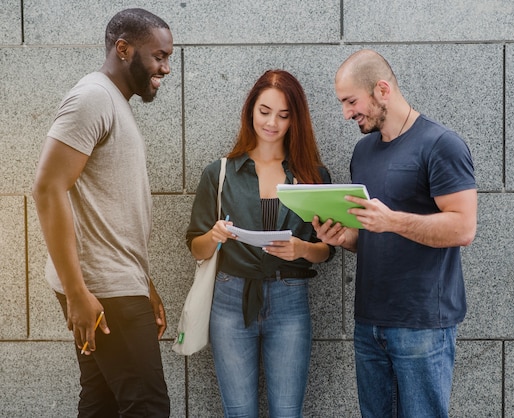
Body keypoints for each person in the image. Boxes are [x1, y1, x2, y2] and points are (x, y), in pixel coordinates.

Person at [312, 49, 478, 417]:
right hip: (369, 322)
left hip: (422, 324)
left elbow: (463, 227)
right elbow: (373, 234)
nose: (346, 113)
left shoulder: (441, 144)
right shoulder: (363, 151)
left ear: (382, 90)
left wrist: (393, 221)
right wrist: (344, 238)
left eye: (351, 101)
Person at [32, 8, 173, 417]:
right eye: (158, 56)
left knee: (103, 404)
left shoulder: (114, 101)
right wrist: (77, 293)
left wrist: (143, 281)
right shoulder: (93, 97)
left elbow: (109, 208)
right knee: (146, 406)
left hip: (116, 282)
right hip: (103, 290)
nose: (165, 68)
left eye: (168, 58)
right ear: (123, 48)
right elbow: (47, 188)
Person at [186, 69, 335, 417]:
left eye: (284, 115)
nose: (272, 123)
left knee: (287, 411)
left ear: (295, 119)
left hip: (290, 297)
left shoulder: (312, 175)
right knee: (239, 412)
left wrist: (301, 249)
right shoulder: (220, 172)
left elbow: (327, 250)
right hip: (230, 298)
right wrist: (216, 235)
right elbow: (196, 246)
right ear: (250, 110)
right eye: (264, 111)